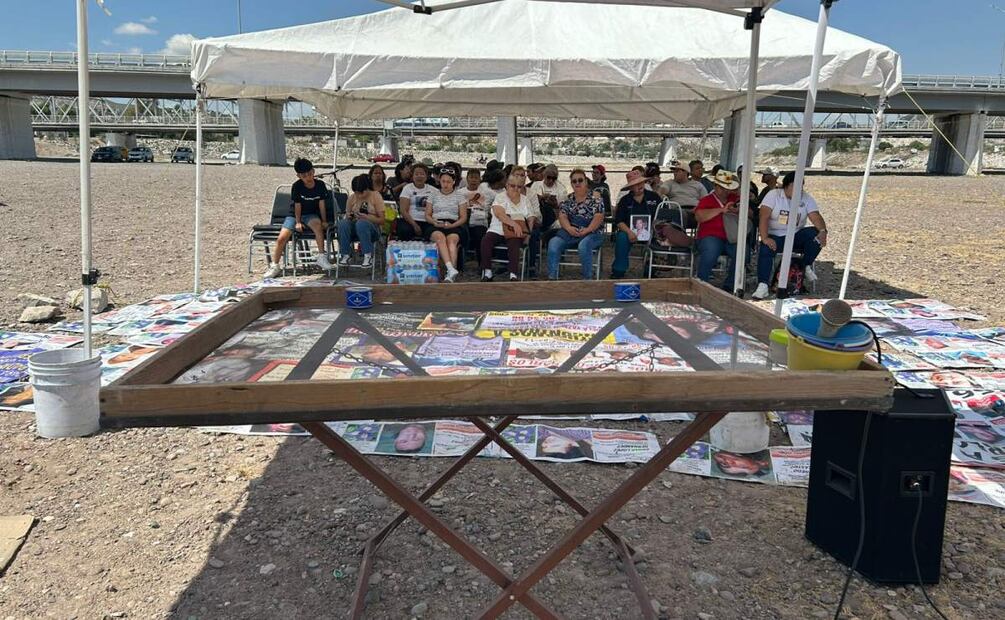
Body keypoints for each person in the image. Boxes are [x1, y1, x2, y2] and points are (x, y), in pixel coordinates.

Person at [753, 171, 829, 300]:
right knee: (766, 248)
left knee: (815, 234)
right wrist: (765, 238)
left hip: (795, 234)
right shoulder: (774, 195)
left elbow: (815, 216)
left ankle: (805, 265)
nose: (798, 191)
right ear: (786, 186)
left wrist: (823, 231)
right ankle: (763, 285)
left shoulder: (806, 198)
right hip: (776, 235)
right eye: (795, 187)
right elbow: (763, 216)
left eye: (801, 187)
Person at [263, 158, 332, 279]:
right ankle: (275, 265)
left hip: (311, 214)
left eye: (310, 174)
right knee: (282, 237)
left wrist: (324, 220)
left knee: (318, 227)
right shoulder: (297, 186)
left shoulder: (320, 185)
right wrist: (298, 222)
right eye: (304, 176)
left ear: (313, 171)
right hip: (294, 214)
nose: (308, 178)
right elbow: (297, 205)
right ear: (299, 176)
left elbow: (322, 204)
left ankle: (321, 256)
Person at [546, 169, 605, 280]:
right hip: (571, 231)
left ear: (586, 181)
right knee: (553, 243)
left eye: (580, 180)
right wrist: (568, 228)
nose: (577, 183)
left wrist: (587, 230)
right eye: (574, 181)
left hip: (592, 231)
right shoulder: (568, 199)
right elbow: (562, 216)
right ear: (571, 184)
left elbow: (599, 217)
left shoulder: (596, 197)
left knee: (584, 245)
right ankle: (552, 277)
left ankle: (587, 278)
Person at [480, 174, 534, 282]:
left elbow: (531, 218)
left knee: (514, 243)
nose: (515, 189)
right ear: (506, 185)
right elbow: (499, 213)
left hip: (515, 232)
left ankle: (513, 274)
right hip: (497, 228)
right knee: (486, 241)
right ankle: (488, 272)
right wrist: (514, 224)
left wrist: (528, 234)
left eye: (519, 186)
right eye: (512, 186)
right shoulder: (500, 197)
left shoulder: (525, 200)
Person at [694, 170, 740, 290]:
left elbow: (750, 213)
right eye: (722, 187)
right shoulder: (706, 200)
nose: (725, 190)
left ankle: (730, 286)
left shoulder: (736, 198)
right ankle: (702, 283)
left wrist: (738, 210)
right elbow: (699, 216)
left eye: (727, 187)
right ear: (715, 186)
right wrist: (720, 210)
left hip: (732, 236)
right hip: (710, 235)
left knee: (742, 253)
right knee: (710, 251)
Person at [610, 169, 660, 279]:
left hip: (652, 232)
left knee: (659, 239)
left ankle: (651, 269)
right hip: (630, 231)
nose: (639, 185)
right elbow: (619, 221)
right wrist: (629, 232)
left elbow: (662, 216)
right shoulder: (624, 200)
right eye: (635, 184)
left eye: (640, 182)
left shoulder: (654, 197)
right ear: (631, 187)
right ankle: (619, 270)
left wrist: (655, 229)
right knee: (622, 237)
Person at [425, 169, 470, 282]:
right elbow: (427, 215)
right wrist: (434, 222)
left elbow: (463, 217)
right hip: (436, 223)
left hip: (454, 223)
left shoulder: (460, 196)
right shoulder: (433, 195)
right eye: (443, 181)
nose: (445, 184)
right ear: (439, 181)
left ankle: (450, 274)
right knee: (440, 238)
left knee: (452, 240)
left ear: (454, 181)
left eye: (448, 182)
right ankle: (451, 269)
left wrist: (452, 225)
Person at [338, 174, 386, 268]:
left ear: (367, 188)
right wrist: (349, 216)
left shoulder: (375, 196)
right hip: (354, 229)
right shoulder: (352, 198)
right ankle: (345, 254)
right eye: (356, 192)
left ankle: (368, 255)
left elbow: (382, 220)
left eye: (361, 192)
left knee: (362, 223)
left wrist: (367, 217)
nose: (359, 195)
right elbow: (348, 216)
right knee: (342, 223)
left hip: (371, 230)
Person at [396, 162, 436, 241]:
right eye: (416, 174)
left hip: (427, 221)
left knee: (434, 232)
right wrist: (414, 225)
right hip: (410, 220)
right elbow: (403, 211)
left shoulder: (433, 190)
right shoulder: (408, 188)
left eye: (422, 174)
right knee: (405, 230)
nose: (419, 176)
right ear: (412, 176)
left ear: (426, 176)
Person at [663, 159, 708, 229]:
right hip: (677, 210)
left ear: (686, 172)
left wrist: (698, 208)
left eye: (678, 171)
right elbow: (663, 190)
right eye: (674, 171)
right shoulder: (670, 183)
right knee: (679, 213)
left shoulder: (698, 185)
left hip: (695, 211)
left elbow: (706, 201)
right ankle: (680, 236)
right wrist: (661, 192)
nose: (675, 173)